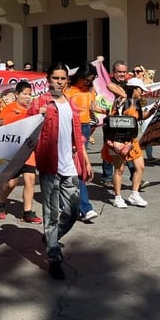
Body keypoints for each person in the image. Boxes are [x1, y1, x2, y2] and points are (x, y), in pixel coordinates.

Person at [27, 62, 93, 280]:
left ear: (67, 80)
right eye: (55, 78)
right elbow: (25, 127)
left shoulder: (71, 104)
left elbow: (77, 135)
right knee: (51, 212)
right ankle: (54, 256)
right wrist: (38, 114)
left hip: (69, 165)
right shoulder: (40, 103)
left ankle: (51, 237)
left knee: (74, 210)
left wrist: (84, 158)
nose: (59, 82)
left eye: (63, 78)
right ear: (48, 80)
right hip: (49, 166)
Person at [0, 81, 42, 224]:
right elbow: (1, 126)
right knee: (11, 184)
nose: (27, 97)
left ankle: (27, 212)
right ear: (17, 95)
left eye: (29, 94)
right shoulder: (10, 108)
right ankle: (0, 202)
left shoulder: (34, 109)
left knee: (30, 179)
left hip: (29, 150)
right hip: (13, 152)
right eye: (24, 94)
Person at [66, 65, 106, 222]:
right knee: (78, 167)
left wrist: (107, 111)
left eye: (92, 80)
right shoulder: (69, 89)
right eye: (87, 79)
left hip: (85, 127)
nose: (89, 82)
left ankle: (79, 206)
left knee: (78, 166)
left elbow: (93, 107)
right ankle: (84, 207)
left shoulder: (90, 89)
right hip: (71, 128)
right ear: (80, 77)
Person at [105, 77, 151, 208]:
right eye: (140, 90)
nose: (142, 93)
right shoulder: (121, 99)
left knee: (140, 166)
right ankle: (117, 197)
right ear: (134, 89)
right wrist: (125, 93)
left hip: (132, 140)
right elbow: (109, 85)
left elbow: (139, 118)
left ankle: (134, 194)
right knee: (119, 169)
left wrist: (152, 111)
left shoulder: (136, 103)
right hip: (118, 140)